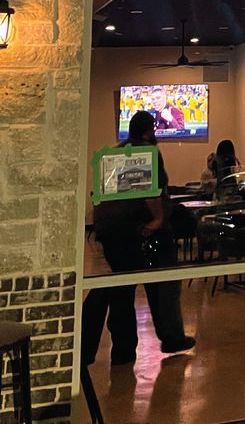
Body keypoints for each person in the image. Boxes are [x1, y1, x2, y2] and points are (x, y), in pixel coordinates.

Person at [82, 110, 196, 365]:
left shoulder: (112, 153)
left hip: (111, 233)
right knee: (164, 284)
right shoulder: (148, 153)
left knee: (122, 292)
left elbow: (101, 194)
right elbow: (150, 189)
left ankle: (123, 351)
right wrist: (157, 220)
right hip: (140, 231)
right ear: (149, 130)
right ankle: (172, 337)